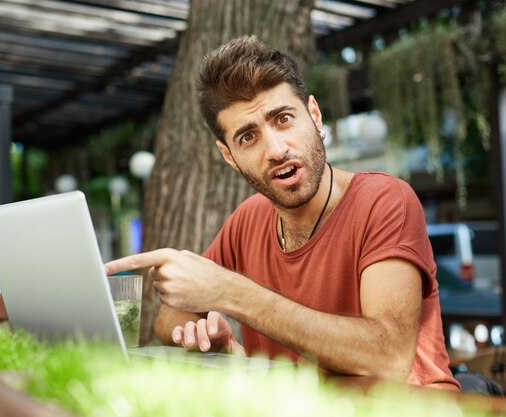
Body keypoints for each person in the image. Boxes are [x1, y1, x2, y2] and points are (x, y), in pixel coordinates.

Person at [105, 35, 459, 391]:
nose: (275, 149)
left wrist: (230, 292)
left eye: (284, 119)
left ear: (315, 115)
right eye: (248, 137)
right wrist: (206, 336)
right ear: (229, 156)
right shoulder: (248, 220)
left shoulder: (384, 199)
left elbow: (388, 358)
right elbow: (169, 317)